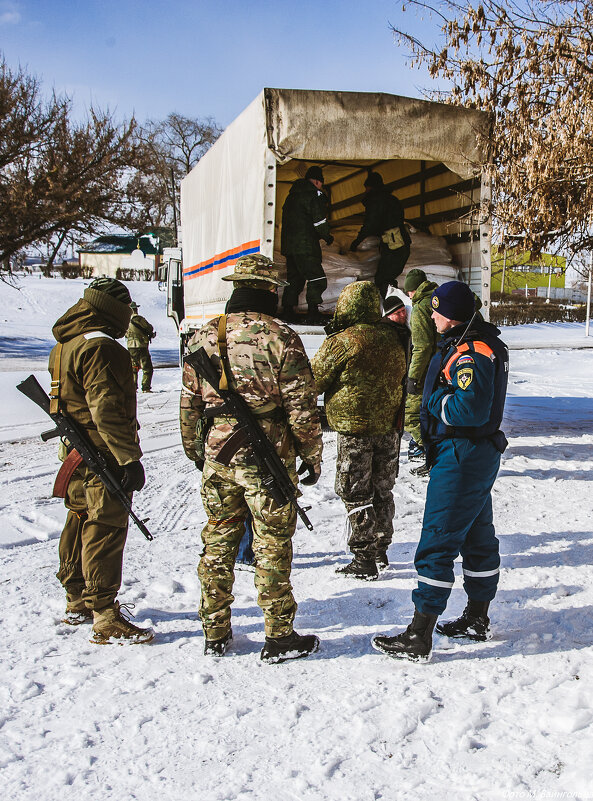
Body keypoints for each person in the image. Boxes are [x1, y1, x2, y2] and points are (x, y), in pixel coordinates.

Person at [180, 254, 323, 662]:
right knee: (272, 543)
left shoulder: (203, 336)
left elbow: (189, 405)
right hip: (268, 456)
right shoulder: (281, 336)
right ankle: (278, 636)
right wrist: (311, 457)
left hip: (218, 454)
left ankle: (214, 631)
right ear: (269, 290)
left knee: (218, 540)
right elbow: (301, 408)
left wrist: (196, 450)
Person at [372, 281, 509, 661]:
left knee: (437, 540)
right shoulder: (474, 342)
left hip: (462, 455)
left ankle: (419, 634)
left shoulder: (472, 351)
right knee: (478, 538)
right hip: (472, 455)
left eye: (436, 310)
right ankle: (476, 619)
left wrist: (433, 399)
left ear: (454, 315)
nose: (431, 316)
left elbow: (469, 411)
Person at [50, 277, 153, 644]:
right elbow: (106, 410)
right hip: (102, 453)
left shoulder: (67, 342)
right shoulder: (102, 347)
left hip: (77, 452)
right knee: (105, 526)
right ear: (114, 311)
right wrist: (128, 459)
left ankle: (77, 597)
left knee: (78, 519)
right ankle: (105, 614)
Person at [311, 281, 407, 578]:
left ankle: (363, 557)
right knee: (383, 488)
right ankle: (380, 549)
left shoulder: (343, 341)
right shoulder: (394, 337)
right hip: (389, 428)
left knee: (354, 491)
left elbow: (313, 380)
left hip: (355, 432)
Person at [280, 165, 334, 324]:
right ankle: (313, 312)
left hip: (290, 247)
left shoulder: (291, 196)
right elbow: (319, 221)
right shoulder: (313, 195)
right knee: (317, 278)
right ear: (318, 182)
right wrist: (327, 236)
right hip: (306, 246)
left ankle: (288, 311)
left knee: (294, 280)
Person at [350, 172, 411, 300]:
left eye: (366, 187)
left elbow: (371, 223)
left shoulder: (376, 200)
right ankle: (392, 305)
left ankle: (391, 306)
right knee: (387, 276)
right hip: (399, 238)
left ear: (370, 187)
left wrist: (357, 241)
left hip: (394, 239)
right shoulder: (392, 199)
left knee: (383, 277)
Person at [403, 269, 438, 474]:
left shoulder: (420, 307)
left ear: (411, 290)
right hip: (442, 366)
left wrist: (413, 377)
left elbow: (422, 346)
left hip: (427, 370)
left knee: (412, 415)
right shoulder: (436, 299)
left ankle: (429, 453)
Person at [125, 301, 156, 393]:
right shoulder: (138, 319)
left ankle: (133, 387)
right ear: (135, 309)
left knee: (133, 368)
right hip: (141, 345)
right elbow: (149, 328)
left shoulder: (125, 320)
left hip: (130, 346)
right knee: (147, 368)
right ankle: (146, 387)